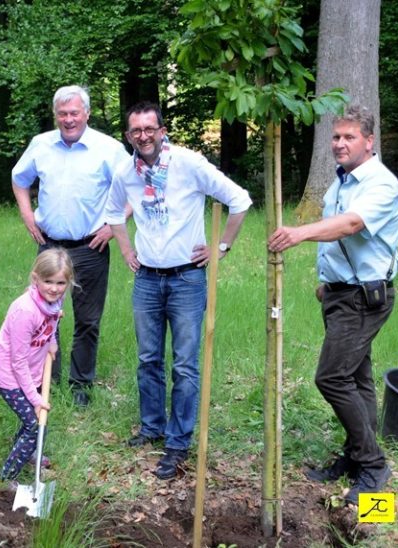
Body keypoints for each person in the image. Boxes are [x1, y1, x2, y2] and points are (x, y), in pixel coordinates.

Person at [105, 101, 252, 480]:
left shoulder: (188, 164)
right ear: (128, 136)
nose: (143, 136)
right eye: (136, 131)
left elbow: (239, 200)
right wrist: (125, 248)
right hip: (147, 279)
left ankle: (177, 442)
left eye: (149, 129)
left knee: (185, 365)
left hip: (187, 278)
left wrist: (220, 248)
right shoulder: (126, 172)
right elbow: (111, 213)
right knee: (148, 358)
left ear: (162, 130)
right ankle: (152, 427)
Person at [268, 105, 398, 505]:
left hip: (365, 298)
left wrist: (298, 234)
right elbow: (344, 238)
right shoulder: (341, 182)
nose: (340, 144)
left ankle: (373, 466)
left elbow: (351, 225)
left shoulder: (380, 184)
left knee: (331, 378)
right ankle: (356, 457)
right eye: (336, 137)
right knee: (357, 380)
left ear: (369, 141)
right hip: (342, 294)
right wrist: (328, 284)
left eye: (349, 137)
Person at [11, 85, 130, 407]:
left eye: (74, 113)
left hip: (90, 247)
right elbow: (19, 179)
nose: (68, 119)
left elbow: (134, 186)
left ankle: (81, 385)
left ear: (86, 114)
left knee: (87, 320)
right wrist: (27, 216)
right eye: (62, 114)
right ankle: (48, 380)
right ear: (55, 115)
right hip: (49, 246)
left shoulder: (108, 148)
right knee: (45, 317)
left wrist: (112, 227)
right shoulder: (41, 145)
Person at [0, 249, 73, 483]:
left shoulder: (55, 300)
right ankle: (7, 477)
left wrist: (53, 342)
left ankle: (27, 451)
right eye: (48, 282)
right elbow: (17, 361)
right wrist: (36, 400)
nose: (54, 288)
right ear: (35, 279)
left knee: (32, 423)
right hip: (10, 376)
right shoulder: (25, 310)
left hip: (32, 370)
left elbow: (53, 320)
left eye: (60, 282)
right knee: (35, 423)